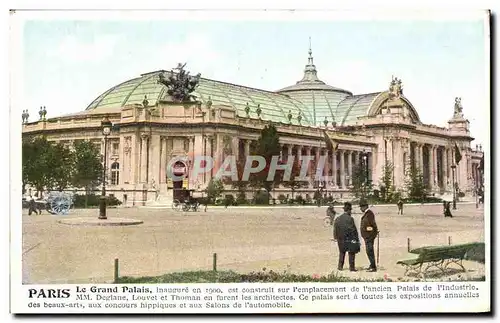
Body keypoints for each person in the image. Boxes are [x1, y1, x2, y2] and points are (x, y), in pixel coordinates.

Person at [333, 202, 360, 272]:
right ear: (349, 210)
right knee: (351, 253)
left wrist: (335, 237)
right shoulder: (350, 219)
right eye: (350, 210)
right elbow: (353, 230)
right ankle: (352, 268)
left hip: (341, 239)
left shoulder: (338, 218)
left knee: (342, 252)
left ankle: (340, 267)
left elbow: (335, 229)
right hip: (349, 239)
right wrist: (356, 240)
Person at [359, 199, 378, 272]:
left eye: (361, 207)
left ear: (365, 207)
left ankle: (373, 267)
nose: (360, 208)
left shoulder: (369, 214)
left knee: (370, 251)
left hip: (369, 237)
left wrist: (370, 232)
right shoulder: (367, 213)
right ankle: (371, 265)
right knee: (368, 251)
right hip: (367, 236)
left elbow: (372, 226)